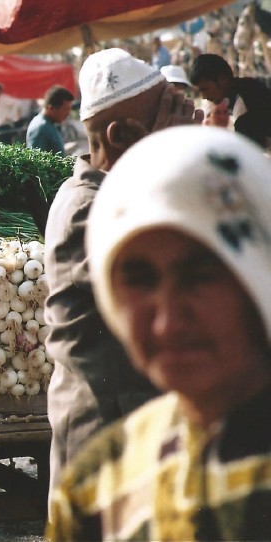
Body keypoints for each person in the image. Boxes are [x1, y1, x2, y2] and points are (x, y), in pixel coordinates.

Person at [48, 126, 271, 541]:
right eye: (139, 279)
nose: (167, 321)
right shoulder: (98, 484)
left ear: (258, 273)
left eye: (200, 276)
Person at [44, 48, 200, 501]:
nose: (182, 123)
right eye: (166, 117)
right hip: (105, 454)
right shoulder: (87, 209)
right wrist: (171, 161)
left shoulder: (123, 192)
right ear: (120, 135)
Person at [190, 53, 271, 148]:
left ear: (223, 80)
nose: (203, 96)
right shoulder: (246, 87)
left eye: (205, 89)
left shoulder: (245, 101)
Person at [25, 85, 74, 155]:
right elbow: (36, 161)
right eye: (65, 109)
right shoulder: (40, 128)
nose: (68, 114)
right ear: (51, 108)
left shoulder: (49, 124)